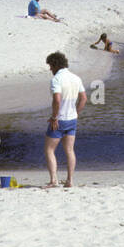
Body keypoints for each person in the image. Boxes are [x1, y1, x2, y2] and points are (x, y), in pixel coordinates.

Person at [44, 52, 87, 188]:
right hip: (72, 119)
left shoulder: (56, 79)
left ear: (55, 65)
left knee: (49, 150)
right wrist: (76, 113)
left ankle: (53, 180)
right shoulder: (76, 78)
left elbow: (57, 100)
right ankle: (70, 181)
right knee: (69, 150)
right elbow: (84, 98)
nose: (50, 69)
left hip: (60, 119)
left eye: (50, 66)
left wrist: (54, 117)